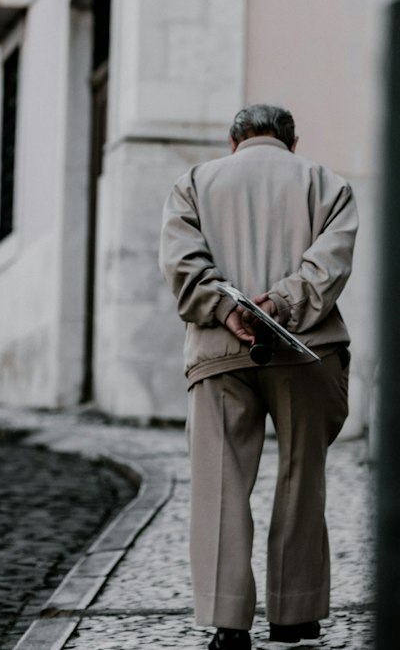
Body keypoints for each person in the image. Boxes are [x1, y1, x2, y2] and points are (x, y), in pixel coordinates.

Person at [159, 103, 358, 650]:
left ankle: (228, 624)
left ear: (234, 143)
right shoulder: (327, 183)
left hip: (219, 353)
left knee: (219, 486)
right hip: (305, 350)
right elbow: (331, 264)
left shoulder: (194, 183)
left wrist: (227, 311)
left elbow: (181, 263)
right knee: (301, 478)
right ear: (291, 144)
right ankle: (294, 616)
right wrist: (281, 303)